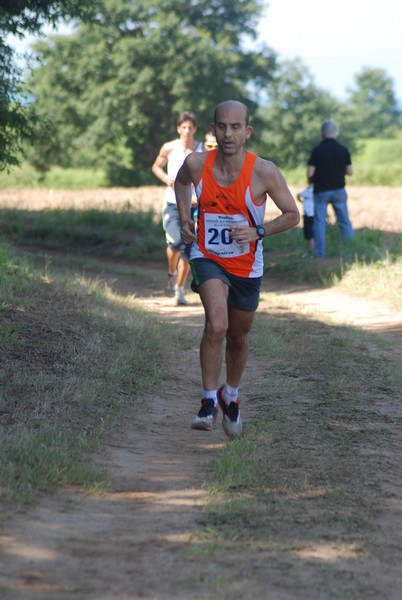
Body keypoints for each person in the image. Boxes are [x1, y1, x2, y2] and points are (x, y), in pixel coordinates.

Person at [175, 100, 300, 438]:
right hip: (207, 255)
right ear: (213, 131)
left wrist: (258, 231)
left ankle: (230, 394)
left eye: (235, 127)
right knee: (217, 325)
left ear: (247, 131)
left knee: (238, 336)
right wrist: (185, 218)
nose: (228, 133)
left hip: (246, 263)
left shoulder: (264, 171)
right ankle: (207, 402)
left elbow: (293, 214)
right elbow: (181, 181)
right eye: (222, 126)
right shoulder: (197, 163)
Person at [152, 111, 203, 305]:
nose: (187, 131)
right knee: (174, 242)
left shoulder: (201, 150)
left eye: (190, 127)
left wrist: (198, 196)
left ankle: (179, 290)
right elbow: (156, 166)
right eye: (184, 127)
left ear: (195, 129)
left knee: (188, 251)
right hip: (173, 204)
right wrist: (167, 179)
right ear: (178, 129)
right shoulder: (169, 148)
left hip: (194, 207)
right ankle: (171, 273)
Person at [307, 119, 354, 257]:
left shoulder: (317, 150)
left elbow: (310, 173)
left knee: (320, 223)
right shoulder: (343, 149)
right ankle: (350, 251)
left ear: (322, 133)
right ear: (336, 133)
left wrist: (311, 182)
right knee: (344, 221)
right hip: (339, 190)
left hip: (321, 192)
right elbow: (350, 171)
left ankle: (319, 254)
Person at [296, 184, 315, 255]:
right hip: (317, 214)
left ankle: (310, 251)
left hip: (308, 214)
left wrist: (302, 201)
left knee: (310, 235)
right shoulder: (321, 188)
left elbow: (298, 195)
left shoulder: (310, 189)